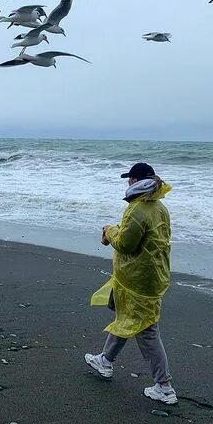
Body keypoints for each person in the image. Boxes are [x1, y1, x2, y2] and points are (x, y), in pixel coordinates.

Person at [85, 162, 177, 405]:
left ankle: (164, 386)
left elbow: (126, 244)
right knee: (125, 317)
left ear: (136, 181)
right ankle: (105, 360)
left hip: (137, 279)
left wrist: (110, 230)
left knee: (146, 330)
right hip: (151, 276)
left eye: (130, 179)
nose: (128, 183)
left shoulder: (137, 209)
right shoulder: (160, 207)